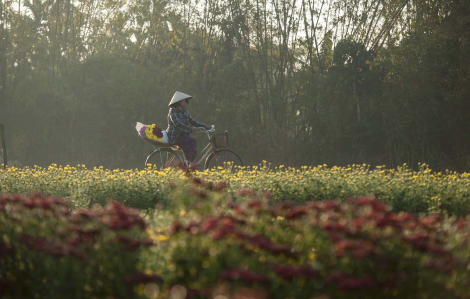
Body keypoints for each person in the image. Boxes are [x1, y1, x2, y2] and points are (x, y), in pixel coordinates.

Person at [166, 91, 212, 169]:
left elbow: (191, 120)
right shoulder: (173, 110)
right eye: (182, 100)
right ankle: (189, 164)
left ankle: (187, 164)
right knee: (192, 142)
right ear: (177, 102)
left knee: (194, 150)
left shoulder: (183, 110)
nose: (184, 102)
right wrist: (190, 129)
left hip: (183, 135)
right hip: (175, 136)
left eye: (184, 100)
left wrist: (205, 126)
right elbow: (178, 123)